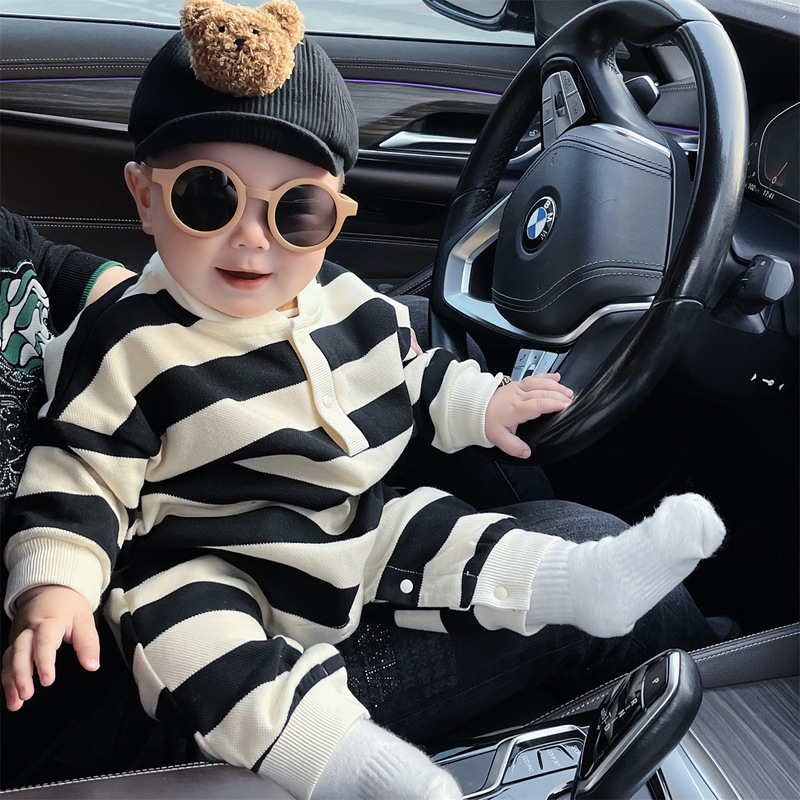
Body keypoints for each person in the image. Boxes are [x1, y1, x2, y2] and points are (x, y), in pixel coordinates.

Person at [1, 3, 725, 798]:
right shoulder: (125, 341)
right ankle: (360, 766)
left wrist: (487, 404)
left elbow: (412, 375)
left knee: (447, 531)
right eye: (208, 199)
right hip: (204, 561)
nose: (253, 238)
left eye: (296, 211)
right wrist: (56, 586)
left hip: (345, 526)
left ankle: (586, 583)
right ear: (143, 197)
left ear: (337, 215)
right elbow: (78, 476)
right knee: (188, 641)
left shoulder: (345, 300)